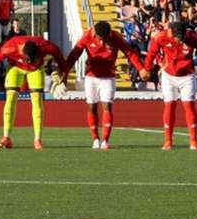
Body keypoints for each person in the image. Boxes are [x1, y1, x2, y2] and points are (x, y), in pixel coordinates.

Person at [63, 21, 149, 150]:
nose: (103, 42)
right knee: (92, 107)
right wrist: (65, 71)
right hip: (91, 77)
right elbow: (75, 54)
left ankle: (105, 141)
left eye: (105, 39)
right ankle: (95, 139)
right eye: (100, 39)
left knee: (107, 106)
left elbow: (129, 53)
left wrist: (141, 68)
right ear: (95, 34)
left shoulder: (116, 37)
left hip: (108, 77)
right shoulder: (87, 36)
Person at [0, 36, 67, 150]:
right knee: (10, 98)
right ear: (23, 55)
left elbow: (58, 53)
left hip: (35, 70)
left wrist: (64, 74)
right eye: (29, 60)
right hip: (16, 67)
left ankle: (37, 139)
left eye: (35, 59)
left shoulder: (45, 46)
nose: (30, 62)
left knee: (37, 100)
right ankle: (6, 137)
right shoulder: (10, 47)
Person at [144, 21, 197, 150]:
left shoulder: (193, 38)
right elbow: (151, 53)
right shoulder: (161, 37)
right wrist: (147, 69)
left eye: (183, 39)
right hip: (168, 75)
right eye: (179, 39)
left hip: (187, 76)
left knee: (189, 106)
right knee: (169, 105)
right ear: (172, 33)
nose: (181, 41)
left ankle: (193, 141)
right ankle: (168, 141)